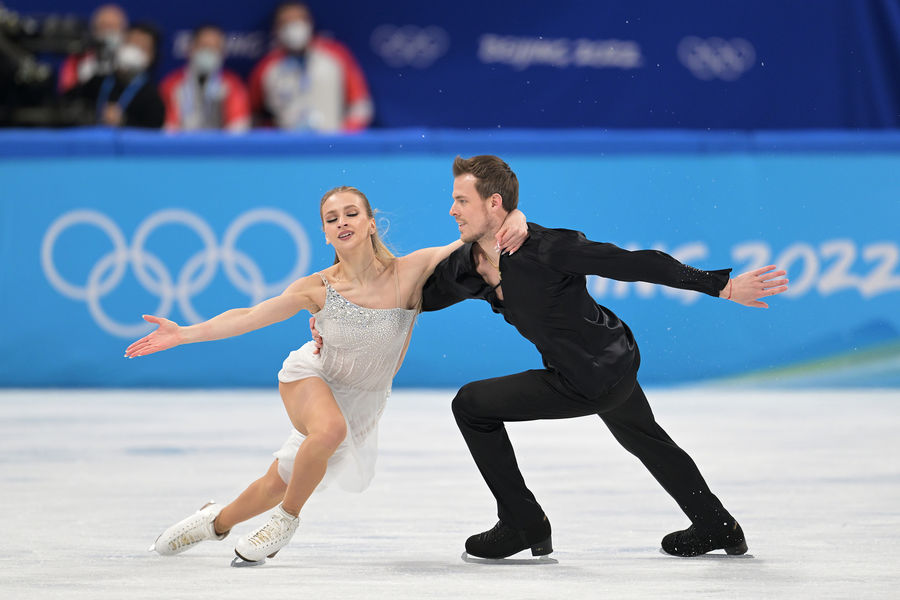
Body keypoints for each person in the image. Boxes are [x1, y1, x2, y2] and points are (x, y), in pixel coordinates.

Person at [125, 186, 527, 564]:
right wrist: (184, 334)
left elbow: (478, 238)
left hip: (363, 402)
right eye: (332, 219)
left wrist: (517, 217)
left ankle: (214, 522)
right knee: (329, 430)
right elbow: (249, 316)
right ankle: (286, 521)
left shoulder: (410, 271)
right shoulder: (316, 288)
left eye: (351, 214)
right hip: (312, 376)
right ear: (325, 233)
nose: (342, 222)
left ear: (371, 223)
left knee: (278, 482)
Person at [415, 155, 789, 560]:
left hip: (590, 377)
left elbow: (634, 263)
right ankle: (717, 525)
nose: (452, 210)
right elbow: (418, 297)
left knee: (471, 405)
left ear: (494, 203)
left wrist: (721, 287)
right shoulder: (466, 266)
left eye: (462, 200)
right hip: (608, 362)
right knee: (645, 438)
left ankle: (523, 523)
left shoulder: (547, 247)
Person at [248, 2, 373, 132]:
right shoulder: (266, 67)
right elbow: (255, 115)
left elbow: (360, 105)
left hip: (332, 139)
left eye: (299, 20)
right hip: (287, 142)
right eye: (286, 22)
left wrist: (343, 136)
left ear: (310, 23)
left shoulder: (336, 55)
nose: (294, 26)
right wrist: (275, 137)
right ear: (276, 29)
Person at [66, 23, 165, 129]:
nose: (133, 52)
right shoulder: (98, 81)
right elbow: (67, 104)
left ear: (152, 56)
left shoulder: (152, 98)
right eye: (131, 43)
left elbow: (152, 132)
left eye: (142, 48)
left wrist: (124, 122)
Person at [159, 25, 251, 133]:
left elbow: (238, 127)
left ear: (223, 53)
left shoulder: (232, 84)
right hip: (181, 141)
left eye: (214, 48)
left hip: (220, 142)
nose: (208, 52)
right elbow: (168, 128)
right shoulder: (171, 84)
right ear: (191, 48)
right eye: (203, 46)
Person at [58, 4, 129, 94]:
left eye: (112, 26)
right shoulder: (77, 59)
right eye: (103, 26)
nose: (107, 31)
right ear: (94, 30)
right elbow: (67, 89)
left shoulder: (130, 60)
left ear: (123, 30)